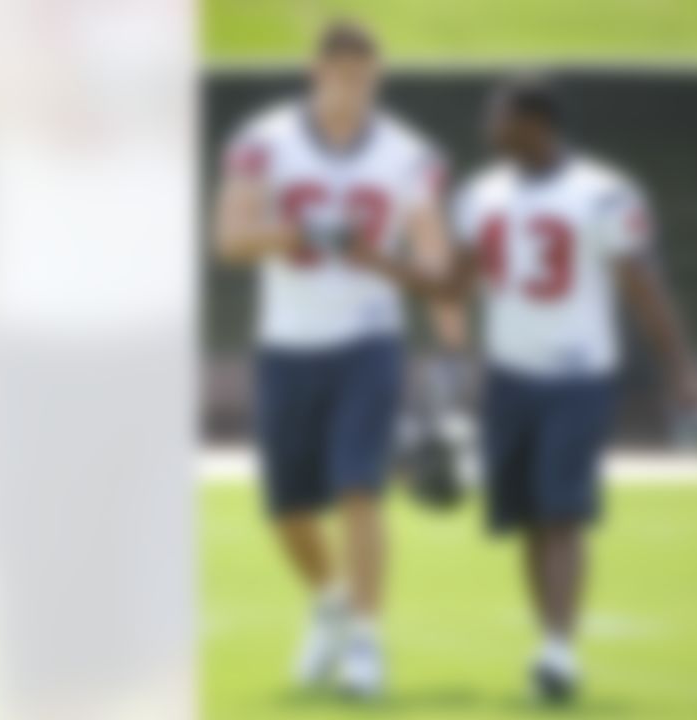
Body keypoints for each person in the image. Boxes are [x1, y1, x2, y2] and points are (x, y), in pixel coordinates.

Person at [349, 74, 697, 703]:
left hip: (579, 375)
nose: (489, 131)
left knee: (560, 511)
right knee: (523, 517)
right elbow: (450, 288)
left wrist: (682, 372)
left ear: (538, 125)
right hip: (510, 377)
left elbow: (644, 288)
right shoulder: (480, 195)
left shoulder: (602, 194)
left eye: (502, 120)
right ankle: (550, 645)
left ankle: (559, 655)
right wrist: (372, 258)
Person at [211, 20, 460, 698]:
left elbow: (431, 244)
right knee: (287, 507)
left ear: (376, 76)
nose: (351, 87)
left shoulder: (408, 153)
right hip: (287, 341)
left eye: (363, 75)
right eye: (340, 72)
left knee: (360, 488)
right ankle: (330, 601)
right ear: (314, 71)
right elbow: (230, 240)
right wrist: (300, 230)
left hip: (367, 337)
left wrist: (446, 316)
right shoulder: (263, 143)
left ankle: (367, 644)